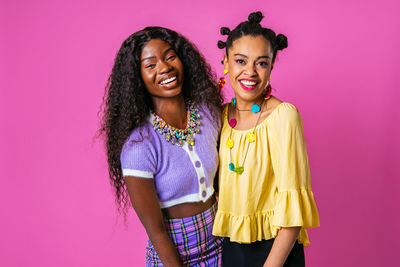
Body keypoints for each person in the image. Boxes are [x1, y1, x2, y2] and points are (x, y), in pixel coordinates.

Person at [100, 27, 223, 266]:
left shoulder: (209, 114)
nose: (164, 68)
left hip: (221, 243)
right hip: (174, 255)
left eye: (169, 57)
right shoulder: (139, 146)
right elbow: (156, 232)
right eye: (150, 65)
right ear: (137, 78)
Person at [212, 12, 320, 267]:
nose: (250, 72)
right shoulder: (219, 116)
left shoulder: (283, 116)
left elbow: (293, 208)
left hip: (275, 252)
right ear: (225, 61)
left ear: (271, 67)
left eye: (261, 63)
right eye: (240, 60)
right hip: (231, 248)